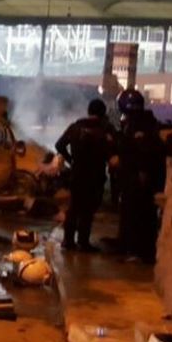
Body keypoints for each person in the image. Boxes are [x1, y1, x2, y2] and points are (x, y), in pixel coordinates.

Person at [55, 99, 116, 252]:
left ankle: (68, 241)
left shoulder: (75, 127)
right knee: (87, 210)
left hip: (77, 173)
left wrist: (71, 159)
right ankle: (83, 242)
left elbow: (59, 145)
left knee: (74, 207)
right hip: (95, 175)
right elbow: (113, 152)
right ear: (102, 113)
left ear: (89, 111)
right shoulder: (105, 129)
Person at [113, 90, 166, 264]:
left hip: (137, 179)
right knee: (131, 212)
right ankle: (130, 246)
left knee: (139, 214)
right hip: (132, 177)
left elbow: (141, 151)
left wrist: (141, 171)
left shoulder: (140, 125)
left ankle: (139, 251)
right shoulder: (140, 122)